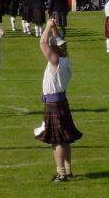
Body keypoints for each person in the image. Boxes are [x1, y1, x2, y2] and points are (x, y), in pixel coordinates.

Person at [35, 18, 82, 182]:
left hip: (53, 103)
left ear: (56, 49)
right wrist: (55, 29)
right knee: (66, 138)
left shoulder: (55, 60)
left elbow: (42, 43)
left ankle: (61, 173)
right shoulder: (65, 58)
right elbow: (57, 42)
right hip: (61, 101)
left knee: (58, 140)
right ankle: (67, 170)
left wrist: (47, 27)